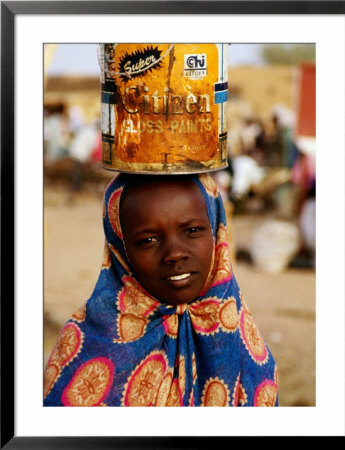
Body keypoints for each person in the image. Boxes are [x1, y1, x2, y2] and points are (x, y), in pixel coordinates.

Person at [44, 173, 278, 407]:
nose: (175, 253)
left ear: (216, 231)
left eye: (193, 231)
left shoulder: (243, 344)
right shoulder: (85, 348)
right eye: (148, 241)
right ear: (120, 250)